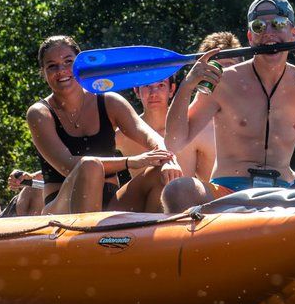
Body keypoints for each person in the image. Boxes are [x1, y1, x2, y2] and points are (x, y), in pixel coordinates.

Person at [162, 0, 295, 212]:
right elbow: (174, 142)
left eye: (278, 24)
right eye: (259, 26)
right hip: (228, 191)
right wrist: (187, 84)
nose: (269, 33)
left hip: (286, 190)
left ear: (293, 33)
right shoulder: (223, 81)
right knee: (178, 190)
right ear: (250, 37)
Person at [27, 35, 183, 215]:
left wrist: (168, 160)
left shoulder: (110, 101)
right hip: (61, 207)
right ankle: (85, 240)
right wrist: (131, 162)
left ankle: (153, 238)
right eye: (52, 66)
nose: (61, 70)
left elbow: (149, 134)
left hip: (110, 202)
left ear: (80, 65)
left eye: (68, 62)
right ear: (44, 72)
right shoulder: (39, 113)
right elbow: (68, 165)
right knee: (89, 165)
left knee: (159, 173)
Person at [117, 32, 243, 183]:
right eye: (216, 68)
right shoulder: (191, 128)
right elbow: (180, 186)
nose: (221, 75)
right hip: (218, 201)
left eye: (229, 67)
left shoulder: (263, 105)